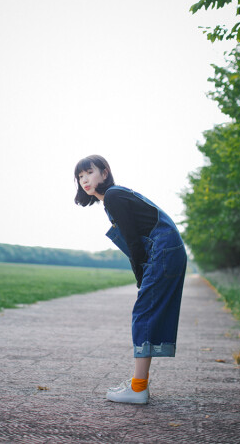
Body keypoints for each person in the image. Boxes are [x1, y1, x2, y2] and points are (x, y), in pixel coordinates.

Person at [74, 154, 187, 404]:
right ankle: (139, 385)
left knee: (143, 312)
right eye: (80, 177)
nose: (84, 180)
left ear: (104, 173)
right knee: (147, 312)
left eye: (89, 173)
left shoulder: (113, 195)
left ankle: (138, 389)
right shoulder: (114, 197)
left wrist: (140, 276)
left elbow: (134, 243)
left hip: (163, 249)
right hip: (169, 249)